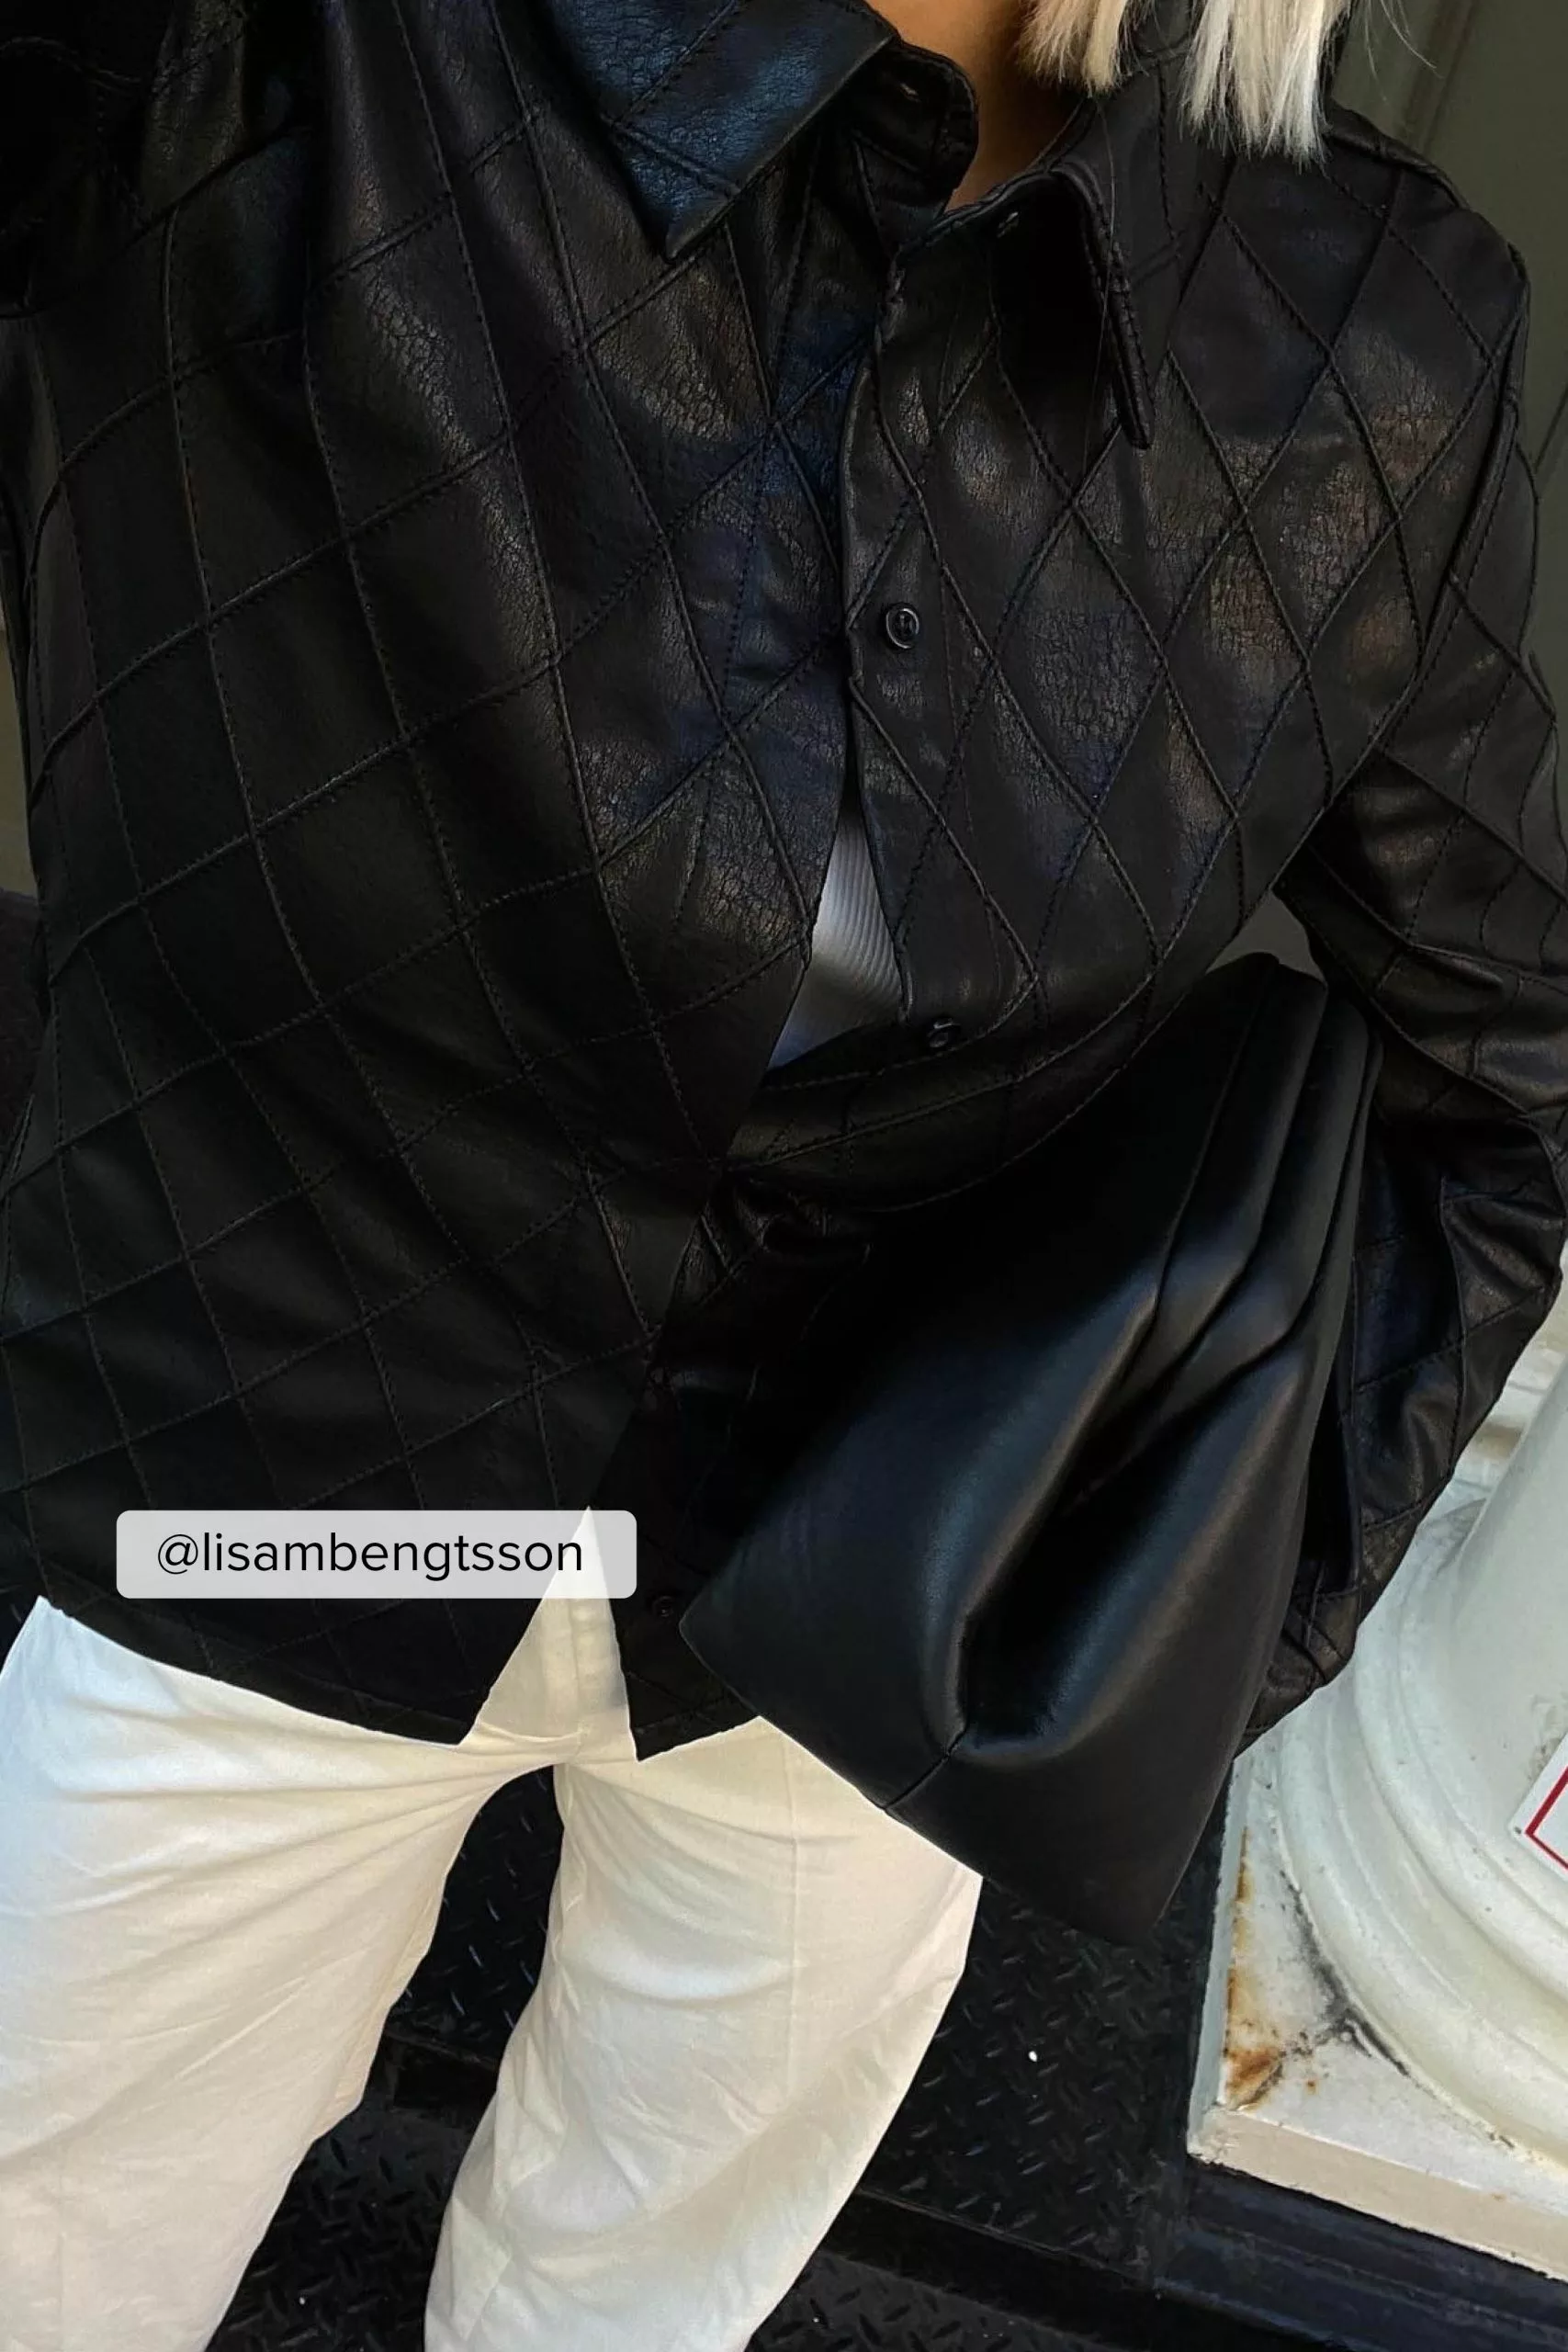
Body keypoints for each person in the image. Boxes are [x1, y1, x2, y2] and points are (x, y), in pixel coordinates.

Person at [0, 0, 1561, 2344]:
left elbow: (1512, 1058)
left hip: (863, 1607)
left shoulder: (1369, 327)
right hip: (280, 1492)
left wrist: (1166, 1625)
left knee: (638, 2285)